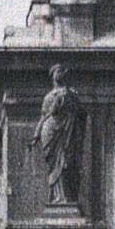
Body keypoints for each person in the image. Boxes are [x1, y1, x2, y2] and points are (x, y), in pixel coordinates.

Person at [34, 66, 84, 208]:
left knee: (66, 161)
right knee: (53, 163)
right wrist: (36, 134)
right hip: (50, 131)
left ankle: (65, 197)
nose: (61, 74)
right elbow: (44, 116)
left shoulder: (72, 93)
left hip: (67, 130)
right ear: (53, 76)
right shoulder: (49, 97)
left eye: (63, 71)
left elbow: (81, 113)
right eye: (58, 71)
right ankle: (56, 195)